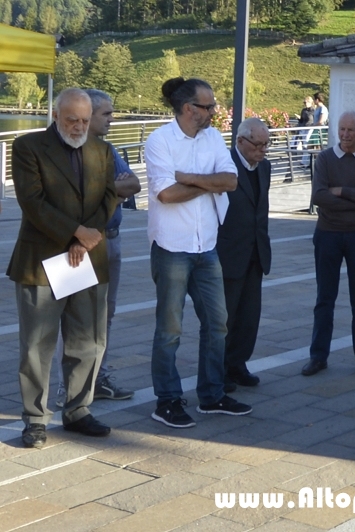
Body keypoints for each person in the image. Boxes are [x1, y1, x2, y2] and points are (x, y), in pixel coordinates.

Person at [8, 88, 117, 448]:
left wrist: (83, 239)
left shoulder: (101, 150)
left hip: (86, 258)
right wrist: (75, 232)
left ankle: (78, 410)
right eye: (72, 119)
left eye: (85, 120)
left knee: (88, 341)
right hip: (42, 261)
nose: (79, 126)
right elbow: (32, 202)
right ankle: (36, 419)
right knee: (36, 346)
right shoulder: (28, 147)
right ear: (56, 115)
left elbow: (109, 197)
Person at [145, 77, 252, 428]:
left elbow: (231, 181)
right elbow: (166, 195)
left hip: (206, 247)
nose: (214, 111)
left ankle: (211, 394)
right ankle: (167, 400)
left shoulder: (214, 138)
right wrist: (208, 182)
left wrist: (188, 177)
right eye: (209, 106)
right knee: (170, 329)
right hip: (171, 247)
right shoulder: (160, 140)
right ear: (190, 108)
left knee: (217, 324)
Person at [53, 88, 140, 408]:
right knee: (72, 317)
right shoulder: (59, 151)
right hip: (74, 245)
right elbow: (63, 198)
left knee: (104, 315)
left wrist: (97, 190)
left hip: (109, 241)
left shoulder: (107, 149)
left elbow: (133, 185)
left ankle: (96, 379)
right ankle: (69, 386)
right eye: (106, 114)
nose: (112, 119)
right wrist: (107, 191)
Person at [301, 111, 355, 377]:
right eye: (342, 129)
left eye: (351, 130)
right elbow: (319, 196)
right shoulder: (325, 158)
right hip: (328, 234)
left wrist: (342, 191)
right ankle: (318, 356)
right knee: (325, 297)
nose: (345, 135)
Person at [217, 118, 272, 389]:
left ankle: (238, 364)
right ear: (240, 141)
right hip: (230, 252)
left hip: (256, 253)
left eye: (266, 144)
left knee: (250, 316)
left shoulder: (266, 168)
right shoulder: (224, 166)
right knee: (225, 317)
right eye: (258, 145)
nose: (262, 150)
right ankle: (220, 369)